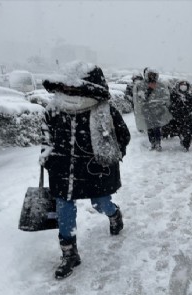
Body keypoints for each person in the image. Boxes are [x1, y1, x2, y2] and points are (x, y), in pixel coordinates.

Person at [40, 61, 131, 279]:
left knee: (100, 203)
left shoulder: (104, 110)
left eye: (75, 87)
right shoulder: (53, 109)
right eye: (67, 87)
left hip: (94, 169)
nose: (70, 91)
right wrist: (48, 157)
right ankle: (69, 254)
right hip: (63, 170)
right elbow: (46, 137)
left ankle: (114, 213)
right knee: (64, 208)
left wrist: (109, 155)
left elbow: (122, 136)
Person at [133, 67, 172, 151]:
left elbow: (165, 96)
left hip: (158, 110)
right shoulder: (141, 85)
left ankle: (158, 143)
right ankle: (152, 143)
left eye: (153, 75)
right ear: (147, 75)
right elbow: (140, 97)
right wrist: (148, 91)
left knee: (157, 127)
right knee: (149, 127)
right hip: (147, 110)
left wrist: (159, 103)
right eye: (150, 74)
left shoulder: (160, 85)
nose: (152, 76)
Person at [169, 80, 192, 151]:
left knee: (188, 132)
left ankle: (186, 145)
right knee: (179, 131)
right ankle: (182, 140)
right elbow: (171, 105)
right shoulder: (174, 95)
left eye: (185, 85)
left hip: (187, 118)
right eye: (182, 85)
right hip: (177, 117)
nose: (183, 86)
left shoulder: (189, 95)